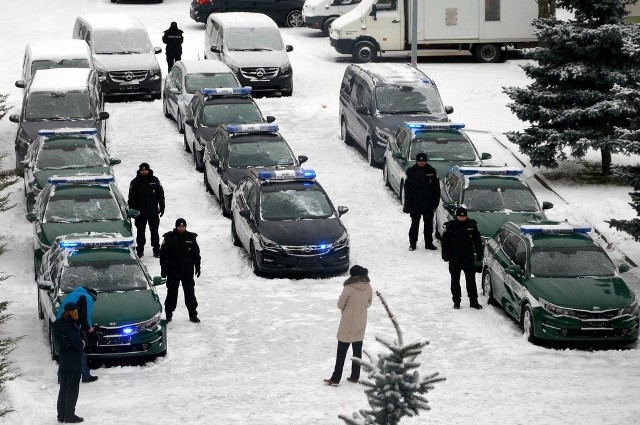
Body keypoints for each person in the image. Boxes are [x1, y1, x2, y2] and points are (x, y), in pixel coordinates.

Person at [324, 265, 373, 386]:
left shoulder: (349, 287)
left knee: (341, 351)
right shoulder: (368, 286)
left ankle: (335, 378)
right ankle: (355, 376)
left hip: (347, 323)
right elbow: (369, 303)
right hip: (361, 321)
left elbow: (340, 305)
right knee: (357, 350)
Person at [160, 218, 201, 323]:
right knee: (172, 294)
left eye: (183, 226)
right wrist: (163, 270)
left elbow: (196, 254)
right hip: (173, 271)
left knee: (190, 294)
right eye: (179, 226)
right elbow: (163, 255)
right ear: (176, 226)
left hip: (187, 271)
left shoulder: (191, 238)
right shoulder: (169, 238)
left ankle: (193, 314)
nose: (181, 228)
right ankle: (169, 314)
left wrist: (198, 266)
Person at [441, 207, 483, 310]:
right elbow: (445, 242)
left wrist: (479, 254)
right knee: (455, 280)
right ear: (456, 216)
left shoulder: (472, 225)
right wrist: (445, 255)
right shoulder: (450, 226)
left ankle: (473, 301)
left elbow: (477, 241)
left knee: (471, 280)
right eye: (460, 216)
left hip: (468, 257)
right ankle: (456, 301)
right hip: (454, 257)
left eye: (464, 216)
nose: (462, 218)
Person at [56, 286, 98, 383]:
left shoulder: (73, 294)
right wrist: (90, 328)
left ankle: (61, 377)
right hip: (70, 325)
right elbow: (86, 316)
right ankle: (85, 375)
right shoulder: (87, 297)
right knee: (79, 350)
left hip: (60, 323)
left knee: (65, 351)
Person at [54, 302, 85, 423]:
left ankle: (61, 415)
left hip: (63, 359)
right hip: (73, 360)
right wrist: (83, 343)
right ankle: (70, 415)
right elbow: (78, 344)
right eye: (76, 311)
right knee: (72, 389)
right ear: (73, 312)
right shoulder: (71, 327)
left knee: (63, 388)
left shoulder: (58, 324)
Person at [403, 152, 440, 251]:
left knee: (428, 226)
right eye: (420, 161)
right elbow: (407, 190)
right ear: (417, 161)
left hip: (428, 204)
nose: (421, 162)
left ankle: (428, 243)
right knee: (414, 225)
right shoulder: (411, 171)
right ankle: (412, 244)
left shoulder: (432, 171)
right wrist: (407, 205)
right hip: (415, 204)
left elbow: (437, 190)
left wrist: (435, 204)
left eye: (423, 161)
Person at [128, 163, 166, 258]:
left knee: (154, 231)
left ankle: (156, 250)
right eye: (142, 170)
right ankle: (140, 250)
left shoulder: (155, 180)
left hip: (152, 211)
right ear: (140, 170)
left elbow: (160, 195)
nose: (144, 172)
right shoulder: (135, 182)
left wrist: (162, 206)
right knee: (140, 232)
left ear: (149, 170)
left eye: (145, 170)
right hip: (140, 212)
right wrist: (132, 210)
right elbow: (131, 198)